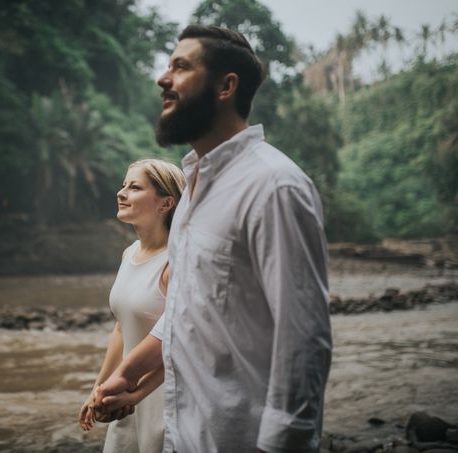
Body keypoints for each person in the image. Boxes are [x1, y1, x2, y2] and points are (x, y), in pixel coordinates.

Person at [93, 25, 333, 453]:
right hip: (184, 433)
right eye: (167, 66)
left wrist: (283, 444)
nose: (162, 79)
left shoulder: (273, 187)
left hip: (241, 438)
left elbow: (303, 337)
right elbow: (185, 309)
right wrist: (127, 374)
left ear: (226, 86)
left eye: (181, 67)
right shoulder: (193, 193)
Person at [79, 159, 186, 453]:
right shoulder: (130, 253)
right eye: (124, 185)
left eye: (134, 187)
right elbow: (121, 330)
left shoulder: (175, 263)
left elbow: (184, 341)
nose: (121, 193)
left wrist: (135, 392)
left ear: (166, 203)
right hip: (125, 394)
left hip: (166, 397)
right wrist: (99, 388)